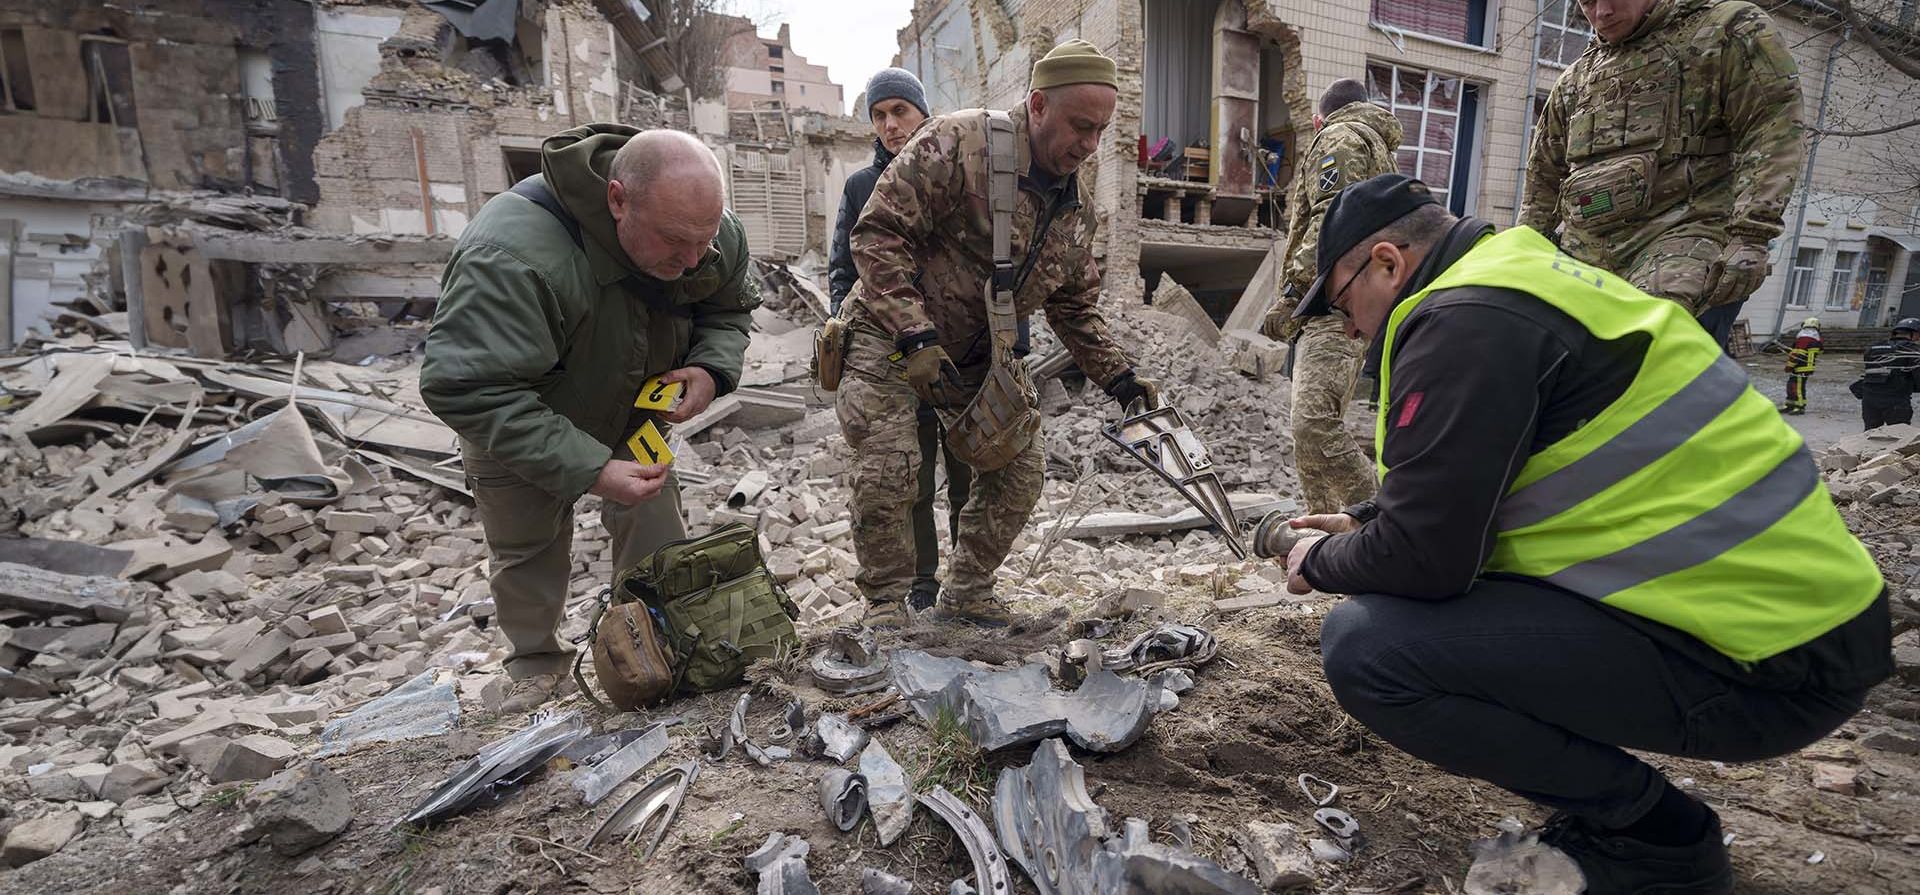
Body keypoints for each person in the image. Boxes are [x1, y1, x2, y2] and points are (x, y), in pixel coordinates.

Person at [1281, 174, 1889, 895]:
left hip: (1771, 667)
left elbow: (1429, 559)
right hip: (1804, 629)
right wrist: (1368, 522)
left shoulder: (1462, 320)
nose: (1352, 327)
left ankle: (1655, 835)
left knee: (1370, 649)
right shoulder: (1525, 280)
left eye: (1346, 300)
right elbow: (1495, 477)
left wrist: (1321, 560)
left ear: (1387, 261)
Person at [422, 127, 756, 713]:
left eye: (705, 243)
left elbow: (728, 307)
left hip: (633, 413)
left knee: (655, 524)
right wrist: (590, 466)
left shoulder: (703, 232)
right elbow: (467, 386)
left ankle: (658, 642)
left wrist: (709, 367)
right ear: (619, 199)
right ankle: (536, 664)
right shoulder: (509, 256)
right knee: (527, 547)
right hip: (527, 414)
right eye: (676, 243)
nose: (693, 260)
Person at [840, 39, 1154, 629]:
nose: (1088, 146)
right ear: (1037, 105)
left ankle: (966, 595)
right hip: (886, 335)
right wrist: (913, 332)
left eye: (1100, 132)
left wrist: (1121, 379)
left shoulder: (1076, 209)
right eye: (1079, 127)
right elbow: (876, 233)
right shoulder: (958, 143)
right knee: (891, 469)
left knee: (1020, 470)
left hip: (971, 355)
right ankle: (887, 608)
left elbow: (1073, 305)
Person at [1522, 0, 1804, 350]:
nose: (1601, 12)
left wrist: (1751, 234)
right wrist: (1525, 252)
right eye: (1588, 1)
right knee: (1536, 345)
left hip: (1685, 231)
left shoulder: (1726, 31)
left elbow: (1773, 127)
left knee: (1645, 350)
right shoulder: (1576, 79)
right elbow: (1543, 176)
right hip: (1588, 250)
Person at [1261, 77, 1401, 514]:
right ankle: (1321, 532)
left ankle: (1384, 519)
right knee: (1316, 425)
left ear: (1320, 120)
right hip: (1357, 305)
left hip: (1332, 304)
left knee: (1312, 423)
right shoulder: (1380, 151)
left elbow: (1330, 222)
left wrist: (1291, 293)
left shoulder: (1338, 138)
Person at [1855, 317, 1920, 428]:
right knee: (1899, 436)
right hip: (1896, 400)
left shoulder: (1874, 347)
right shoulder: (1912, 350)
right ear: (1913, 333)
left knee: (1870, 435)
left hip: (1869, 399)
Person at [1782, 315, 1820, 415]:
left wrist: (1789, 366)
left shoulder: (1803, 340)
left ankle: (1799, 407)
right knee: (1792, 385)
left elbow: (1796, 355)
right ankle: (1790, 404)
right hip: (1807, 367)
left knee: (1797, 387)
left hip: (1800, 367)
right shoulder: (1816, 340)